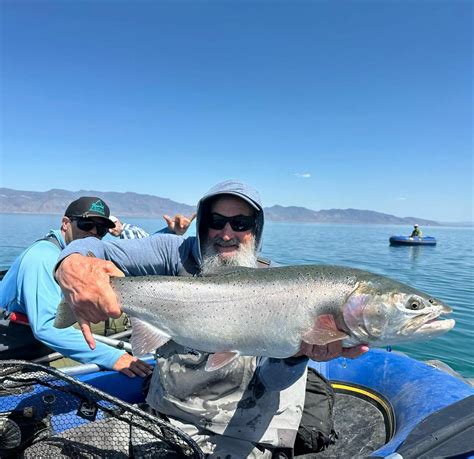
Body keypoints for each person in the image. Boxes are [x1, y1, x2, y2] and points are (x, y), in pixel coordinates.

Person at [54, 180, 367, 458]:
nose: (226, 234)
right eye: (216, 221)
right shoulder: (173, 252)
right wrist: (72, 263)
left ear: (255, 230)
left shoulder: (281, 289)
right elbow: (99, 249)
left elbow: (272, 381)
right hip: (166, 417)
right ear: (202, 224)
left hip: (242, 434)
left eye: (240, 223)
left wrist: (297, 354)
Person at [0, 196, 152, 378]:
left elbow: (140, 253)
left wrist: (171, 232)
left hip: (42, 334)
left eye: (101, 229)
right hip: (27, 346)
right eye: (86, 224)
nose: (94, 233)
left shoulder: (79, 256)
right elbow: (46, 327)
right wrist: (114, 357)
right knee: (116, 372)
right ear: (65, 224)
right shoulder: (42, 257)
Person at [109, 213, 196, 239]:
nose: (110, 231)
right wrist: (170, 231)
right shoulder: (132, 228)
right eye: (106, 229)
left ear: (118, 222)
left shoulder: (127, 232)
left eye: (111, 226)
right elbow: (151, 239)